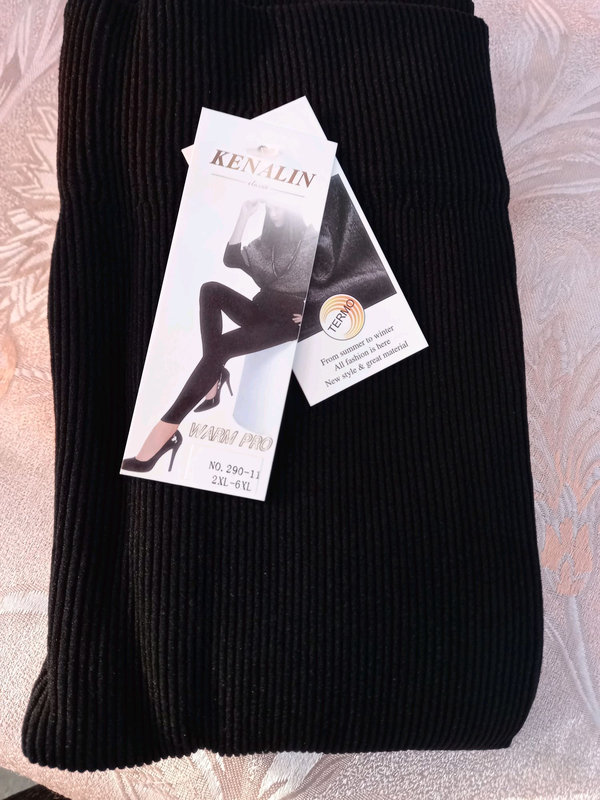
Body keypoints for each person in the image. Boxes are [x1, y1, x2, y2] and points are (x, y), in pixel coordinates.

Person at [122, 199, 318, 473]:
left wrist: (313, 313)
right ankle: (213, 380)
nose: (274, 214)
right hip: (261, 309)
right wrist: (244, 216)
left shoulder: (312, 239)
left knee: (221, 348)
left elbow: (335, 279)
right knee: (210, 289)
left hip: (286, 322)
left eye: (279, 208)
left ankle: (166, 430)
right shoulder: (267, 244)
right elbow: (231, 258)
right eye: (270, 209)